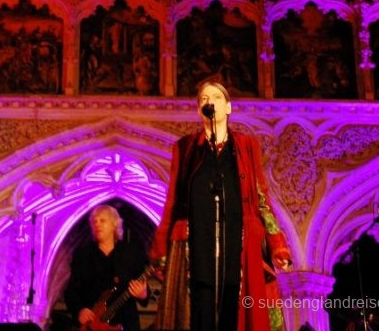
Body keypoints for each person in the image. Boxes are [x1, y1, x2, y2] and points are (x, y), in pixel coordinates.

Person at [150, 76, 292, 331]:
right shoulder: (185, 149)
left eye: (216, 97)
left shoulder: (246, 146)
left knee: (235, 311)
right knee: (198, 311)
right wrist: (161, 248)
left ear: (228, 107)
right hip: (194, 243)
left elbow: (262, 198)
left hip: (239, 241)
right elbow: (172, 200)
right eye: (204, 98)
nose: (209, 101)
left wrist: (277, 245)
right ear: (198, 109)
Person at [64, 204, 149, 331]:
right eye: (94, 222)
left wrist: (143, 294)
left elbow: (143, 289)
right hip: (93, 325)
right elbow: (71, 291)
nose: (97, 224)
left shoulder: (132, 253)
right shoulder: (82, 255)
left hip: (126, 323)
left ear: (114, 224)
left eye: (102, 220)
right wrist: (79, 310)